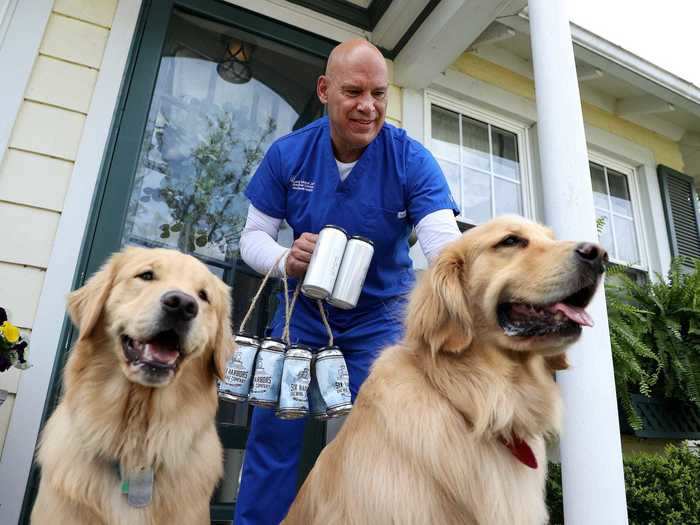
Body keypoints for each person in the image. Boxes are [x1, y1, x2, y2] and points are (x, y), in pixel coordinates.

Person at [235, 39, 461, 525]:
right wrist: (283, 259)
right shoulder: (289, 154)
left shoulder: (411, 160)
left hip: (382, 323)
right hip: (302, 316)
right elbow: (252, 236)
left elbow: (444, 246)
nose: (369, 106)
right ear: (324, 89)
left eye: (379, 93)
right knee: (272, 435)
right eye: (354, 91)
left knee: (380, 443)